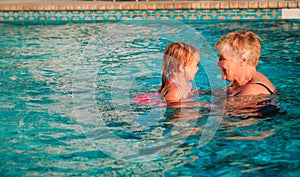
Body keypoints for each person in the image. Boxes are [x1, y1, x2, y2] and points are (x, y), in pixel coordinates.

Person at [214, 30, 275, 96]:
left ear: (243, 60)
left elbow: (224, 106)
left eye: (222, 58)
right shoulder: (238, 84)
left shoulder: (254, 91)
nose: (217, 64)